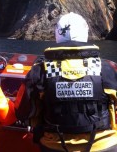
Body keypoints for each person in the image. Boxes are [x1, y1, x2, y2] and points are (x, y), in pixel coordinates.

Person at [15, 12, 117, 152]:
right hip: (102, 146)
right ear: (85, 32)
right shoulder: (105, 69)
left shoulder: (40, 71)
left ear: (57, 34)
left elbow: (22, 111)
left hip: (55, 147)